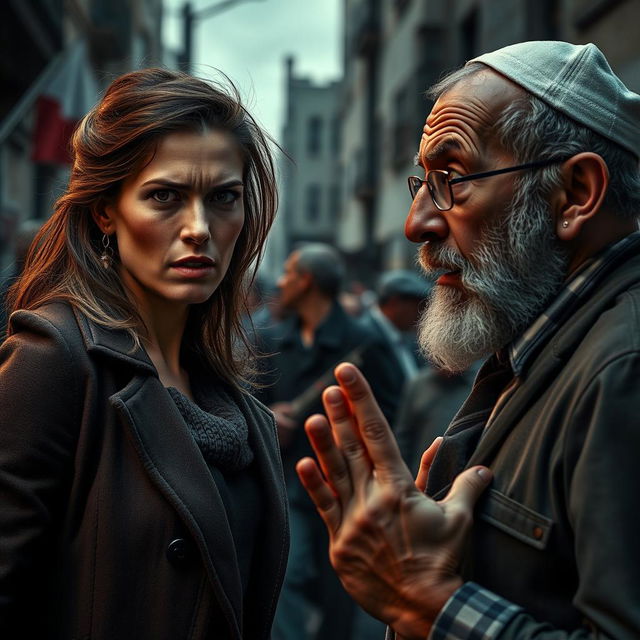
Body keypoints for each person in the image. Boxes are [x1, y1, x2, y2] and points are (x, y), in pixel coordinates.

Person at [295, 40, 640, 639]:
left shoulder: (623, 368)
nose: (417, 224)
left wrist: (429, 601)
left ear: (576, 194)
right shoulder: (545, 347)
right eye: (422, 183)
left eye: (452, 178)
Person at [0, 68, 288, 639]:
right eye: (165, 196)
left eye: (224, 198)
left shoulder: (229, 389)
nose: (199, 229)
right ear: (106, 211)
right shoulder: (54, 359)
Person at [253, 243, 402, 640]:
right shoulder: (271, 339)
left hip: (344, 486)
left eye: (287, 273)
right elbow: (248, 402)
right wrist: (267, 418)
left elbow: (389, 413)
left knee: (342, 583)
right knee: (285, 574)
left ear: (307, 282)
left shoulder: (365, 341)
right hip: (288, 482)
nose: (280, 283)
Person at [359, 269, 432, 388]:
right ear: (395, 303)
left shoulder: (406, 337)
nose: (422, 315)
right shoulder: (365, 338)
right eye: (419, 307)